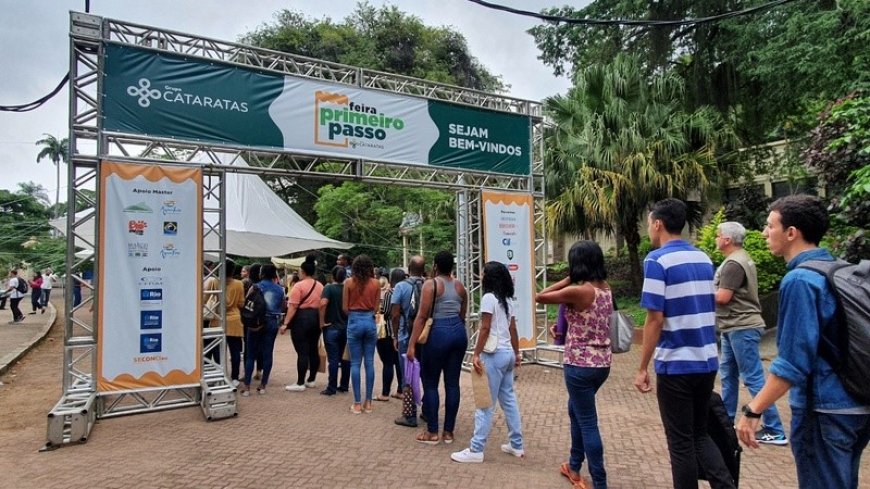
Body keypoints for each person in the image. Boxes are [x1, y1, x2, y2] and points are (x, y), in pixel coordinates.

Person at [736, 195, 870, 488]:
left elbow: (792, 363)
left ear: (791, 233)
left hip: (824, 411)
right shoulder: (838, 269)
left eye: (770, 226)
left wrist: (753, 409)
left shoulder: (800, 280)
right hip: (857, 404)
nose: (764, 232)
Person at [634, 198, 734, 489]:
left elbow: (655, 319)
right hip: (706, 360)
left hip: (676, 364)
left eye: (650, 223)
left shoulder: (656, 261)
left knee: (680, 444)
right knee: (700, 434)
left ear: (658, 224)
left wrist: (642, 367)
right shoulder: (703, 258)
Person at [536, 241, 613, 488]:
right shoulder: (605, 288)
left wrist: (569, 279)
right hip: (602, 364)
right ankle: (573, 464)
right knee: (576, 411)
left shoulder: (579, 291)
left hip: (579, 364)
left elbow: (541, 295)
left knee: (588, 420)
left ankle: (600, 481)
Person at [714, 221, 787, 445]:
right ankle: (725, 422)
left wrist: (700, 290)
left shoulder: (733, 264)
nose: (716, 238)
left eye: (718, 235)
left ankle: (774, 429)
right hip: (733, 325)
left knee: (752, 377)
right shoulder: (740, 258)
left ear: (727, 239)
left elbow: (722, 297)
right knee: (728, 374)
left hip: (741, 326)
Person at [451, 261, 524, 464]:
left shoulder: (488, 298)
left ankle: (476, 449)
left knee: (485, 403)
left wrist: (476, 354)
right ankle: (516, 445)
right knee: (509, 401)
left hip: (493, 355)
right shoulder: (508, 301)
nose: (480, 276)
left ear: (489, 277)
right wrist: (517, 354)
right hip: (508, 353)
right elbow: (513, 330)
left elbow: (484, 328)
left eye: (483, 273)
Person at [408, 250, 468, 445]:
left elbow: (421, 317)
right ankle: (448, 432)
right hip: (458, 333)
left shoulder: (430, 285)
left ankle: (432, 431)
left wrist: (411, 345)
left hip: (438, 333)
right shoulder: (460, 286)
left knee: (431, 382)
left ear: (435, 266)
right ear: (452, 266)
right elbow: (462, 314)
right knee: (452, 383)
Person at [342, 254, 380, 415]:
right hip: (370, 320)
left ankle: (357, 404)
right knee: (370, 363)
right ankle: (369, 402)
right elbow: (377, 307)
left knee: (355, 363)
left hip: (354, 321)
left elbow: (344, 307)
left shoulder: (349, 283)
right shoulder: (376, 283)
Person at [391, 255, 426, 428]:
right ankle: (427, 410)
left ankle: (410, 414)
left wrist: (395, 336)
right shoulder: (429, 285)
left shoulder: (401, 286)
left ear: (409, 269)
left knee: (408, 375)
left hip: (406, 336)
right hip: (425, 337)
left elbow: (395, 314)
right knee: (426, 374)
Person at [281, 255, 324, 392]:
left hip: (302, 319)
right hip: (316, 318)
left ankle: (300, 382)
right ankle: (311, 379)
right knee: (313, 349)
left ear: (303, 271)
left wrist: (285, 323)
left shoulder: (298, 286)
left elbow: (292, 307)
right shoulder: (320, 285)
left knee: (302, 352)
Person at [240, 264, 284, 396]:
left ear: (262, 273)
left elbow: (247, 303)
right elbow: (282, 306)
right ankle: (263, 385)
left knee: (251, 354)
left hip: (256, 322)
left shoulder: (255, 287)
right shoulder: (280, 289)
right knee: (267, 353)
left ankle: (247, 387)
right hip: (271, 323)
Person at [213, 260, 244, 386]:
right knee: (235, 351)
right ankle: (235, 377)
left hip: (218, 319)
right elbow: (241, 303)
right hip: (234, 320)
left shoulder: (215, 281)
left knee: (217, 351)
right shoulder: (239, 284)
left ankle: (220, 375)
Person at [320, 265, 350, 395]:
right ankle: (344, 385)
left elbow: (323, 304)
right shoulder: (348, 289)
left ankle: (331, 387)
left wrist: (321, 322)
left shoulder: (328, 288)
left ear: (332, 276)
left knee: (333, 359)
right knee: (345, 358)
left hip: (331, 328)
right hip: (346, 328)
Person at [375, 269, 403, 402]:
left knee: (387, 363)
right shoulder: (406, 291)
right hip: (401, 333)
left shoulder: (390, 293)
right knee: (398, 363)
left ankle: (385, 393)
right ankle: (401, 390)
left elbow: (385, 312)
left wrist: (377, 310)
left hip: (386, 331)